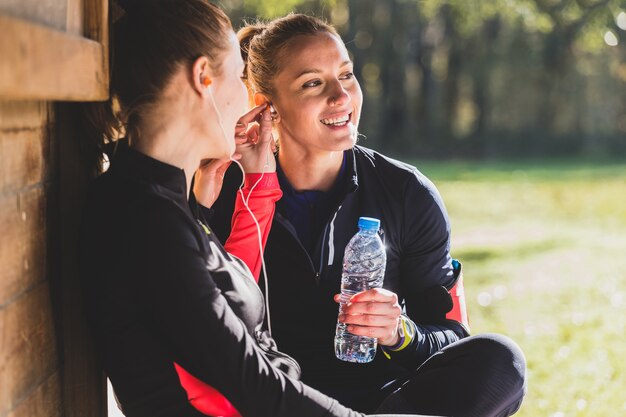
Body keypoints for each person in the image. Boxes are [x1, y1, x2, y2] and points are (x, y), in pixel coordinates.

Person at [79, 1, 432, 416]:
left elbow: (220, 307)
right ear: (203, 79)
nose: (246, 100)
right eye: (236, 77)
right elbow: (248, 381)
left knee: (493, 360)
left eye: (345, 74)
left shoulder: (159, 199)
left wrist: (219, 199)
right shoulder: (148, 216)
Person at [210, 13, 527, 416]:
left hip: (386, 404)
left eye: (346, 75)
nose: (341, 97)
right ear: (265, 105)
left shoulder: (407, 193)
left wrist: (400, 333)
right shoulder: (229, 192)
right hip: (276, 400)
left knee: (500, 360)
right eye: (313, 83)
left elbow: (451, 335)